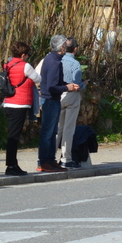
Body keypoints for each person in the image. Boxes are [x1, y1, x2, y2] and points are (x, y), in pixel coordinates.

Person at [36, 35, 78, 173]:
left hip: (52, 99)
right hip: (50, 100)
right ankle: (44, 162)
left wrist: (67, 85)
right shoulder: (54, 62)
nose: (66, 47)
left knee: (53, 131)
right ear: (61, 47)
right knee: (48, 132)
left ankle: (50, 160)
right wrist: (68, 88)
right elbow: (52, 86)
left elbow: (55, 83)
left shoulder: (51, 58)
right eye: (65, 45)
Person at [2, 41, 39, 176]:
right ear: (23, 55)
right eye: (27, 55)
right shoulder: (25, 66)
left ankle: (12, 164)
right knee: (14, 136)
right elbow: (38, 78)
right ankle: (11, 165)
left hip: (8, 102)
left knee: (13, 134)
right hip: (20, 103)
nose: (28, 57)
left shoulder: (8, 64)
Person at [57, 37, 86, 169]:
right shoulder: (75, 64)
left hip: (58, 94)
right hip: (71, 95)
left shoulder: (58, 59)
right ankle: (66, 158)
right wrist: (84, 84)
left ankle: (49, 157)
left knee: (58, 128)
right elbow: (77, 84)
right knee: (69, 128)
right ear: (75, 49)